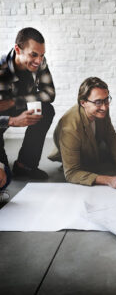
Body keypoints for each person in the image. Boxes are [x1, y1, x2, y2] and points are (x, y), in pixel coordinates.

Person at [0, 27, 55, 197]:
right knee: (3, 178)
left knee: (47, 109)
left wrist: (14, 102)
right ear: (18, 49)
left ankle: (25, 164)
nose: (39, 61)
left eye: (42, 55)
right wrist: (11, 121)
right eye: (34, 55)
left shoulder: (40, 62)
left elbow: (49, 94)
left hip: (15, 104)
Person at [48, 77, 116, 189]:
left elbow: (111, 136)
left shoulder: (102, 106)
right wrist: (109, 180)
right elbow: (71, 173)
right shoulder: (69, 128)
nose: (104, 107)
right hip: (80, 152)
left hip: (94, 143)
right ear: (83, 103)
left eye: (106, 100)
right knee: (90, 164)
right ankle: (75, 162)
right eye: (98, 102)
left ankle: (115, 158)